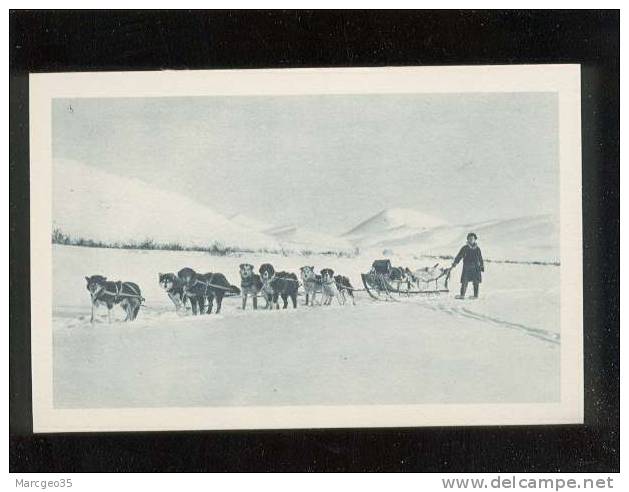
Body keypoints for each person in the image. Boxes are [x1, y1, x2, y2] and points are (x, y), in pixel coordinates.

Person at [451, 232, 484, 299]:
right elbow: (459, 256)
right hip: (467, 267)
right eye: (470, 239)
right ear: (467, 240)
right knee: (464, 281)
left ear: (475, 240)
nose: (471, 240)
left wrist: (482, 266)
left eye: (472, 239)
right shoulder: (465, 248)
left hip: (476, 268)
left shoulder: (477, 249)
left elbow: (480, 258)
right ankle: (462, 295)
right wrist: (455, 263)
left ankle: (475, 296)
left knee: (476, 282)